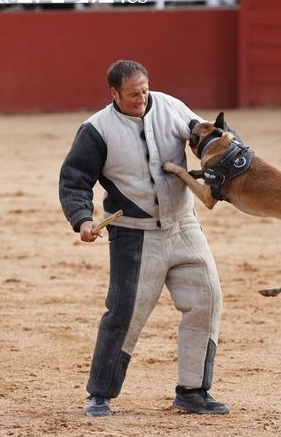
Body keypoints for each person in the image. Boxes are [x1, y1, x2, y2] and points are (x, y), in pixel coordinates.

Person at [58, 60, 228, 417]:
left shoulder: (171, 107)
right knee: (125, 313)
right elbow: (74, 178)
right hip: (134, 235)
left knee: (207, 300)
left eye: (145, 91)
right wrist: (82, 218)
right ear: (114, 93)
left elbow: (207, 135)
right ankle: (99, 395)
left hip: (183, 225)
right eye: (133, 94)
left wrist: (223, 146)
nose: (142, 99)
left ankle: (193, 391)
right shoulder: (96, 130)